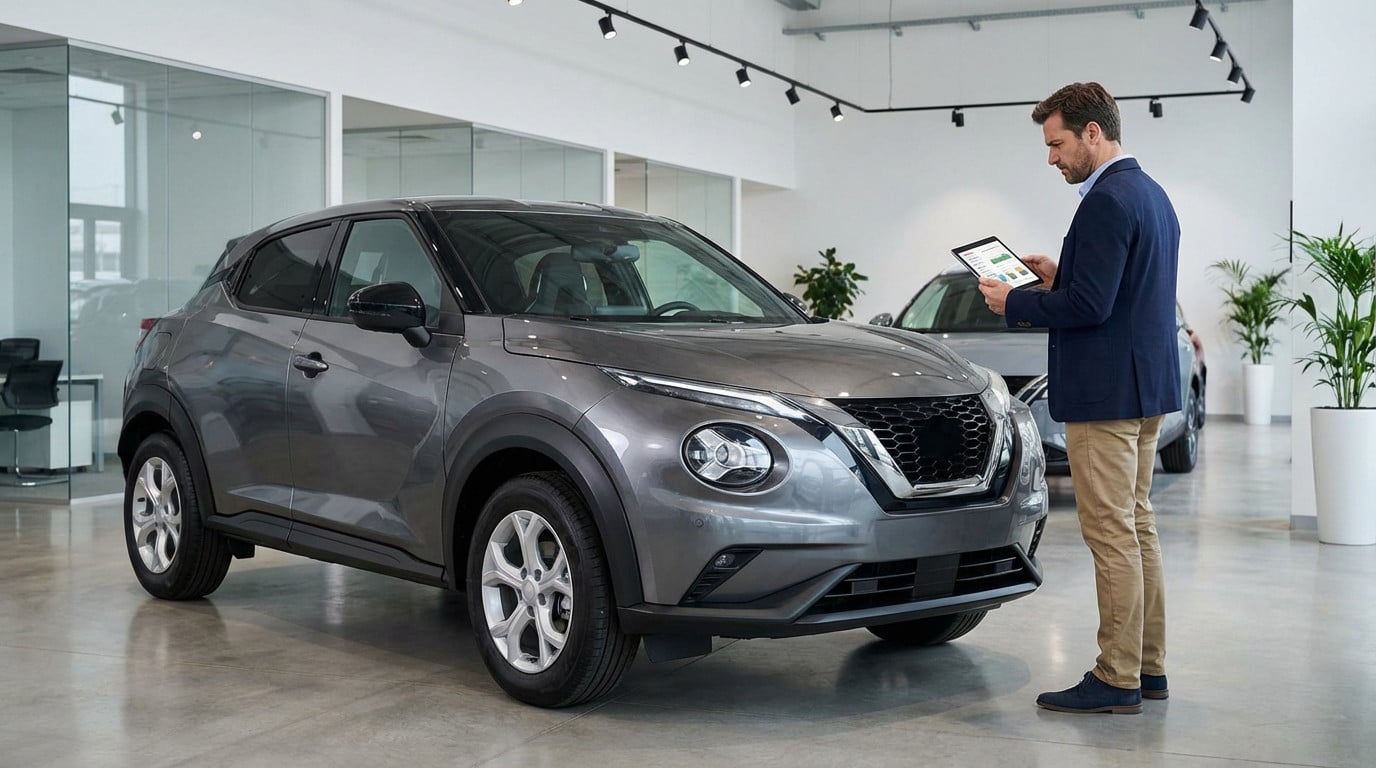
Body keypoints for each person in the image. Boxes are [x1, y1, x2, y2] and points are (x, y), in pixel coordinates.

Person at [977, 81, 1181, 715]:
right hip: (1143, 389)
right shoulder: (1151, 195)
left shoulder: (1104, 201)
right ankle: (1147, 667)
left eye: (1057, 143)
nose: (1052, 157)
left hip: (1105, 396)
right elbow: (1120, 292)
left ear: (1093, 133)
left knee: (1111, 533)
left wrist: (1015, 301)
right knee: (1136, 526)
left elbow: (1090, 308)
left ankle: (1116, 676)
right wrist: (1058, 277)